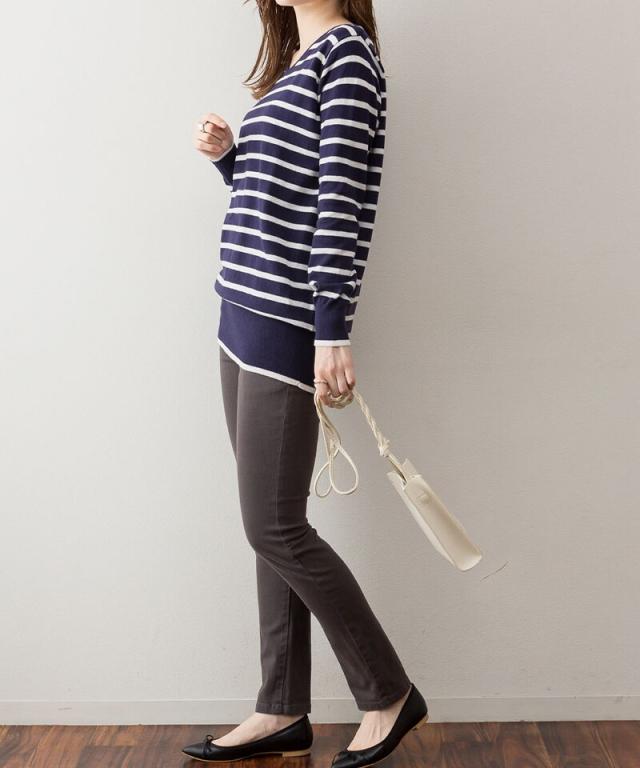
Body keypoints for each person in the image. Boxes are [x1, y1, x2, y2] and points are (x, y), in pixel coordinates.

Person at [183, 1, 428, 764]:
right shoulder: (297, 63)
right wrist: (231, 157)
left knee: (274, 527)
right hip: (240, 313)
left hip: (286, 324)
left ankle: (388, 691)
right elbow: (280, 196)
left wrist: (331, 329)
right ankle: (281, 707)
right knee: (270, 524)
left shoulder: (347, 56)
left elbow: (338, 202)